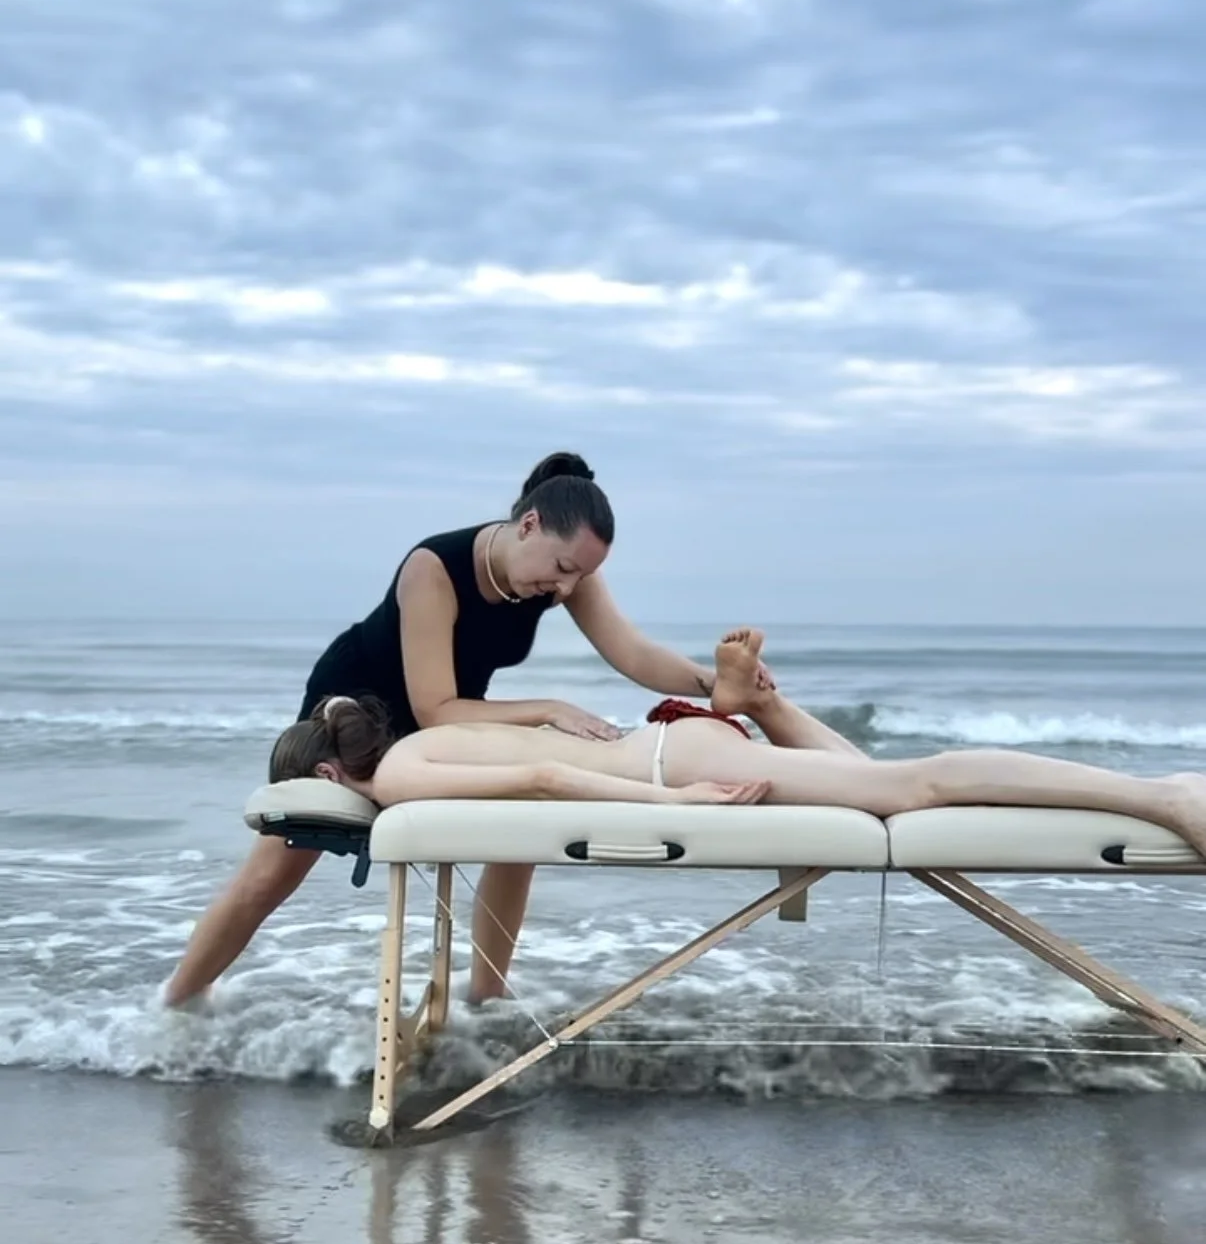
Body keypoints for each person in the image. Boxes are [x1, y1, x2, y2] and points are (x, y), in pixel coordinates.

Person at [268, 626, 1206, 1002]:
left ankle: (1160, 795)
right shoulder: (428, 735)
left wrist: (667, 800)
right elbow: (537, 790)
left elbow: (548, 791)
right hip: (672, 736)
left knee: (913, 788)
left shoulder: (395, 779)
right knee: (887, 780)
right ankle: (752, 705)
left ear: (329, 775)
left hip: (678, 756)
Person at [163, 453, 750, 1008]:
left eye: (580, 577)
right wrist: (546, 707)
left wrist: (716, 684)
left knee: (521, 832)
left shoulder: (564, 572)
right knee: (274, 873)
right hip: (358, 710)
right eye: (563, 570)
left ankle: (484, 1003)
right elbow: (436, 707)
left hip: (452, 715)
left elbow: (633, 653)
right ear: (528, 525)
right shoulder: (435, 568)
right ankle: (178, 1005)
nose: (567, 589)